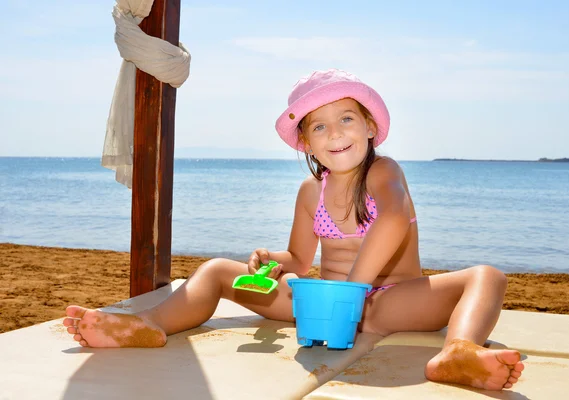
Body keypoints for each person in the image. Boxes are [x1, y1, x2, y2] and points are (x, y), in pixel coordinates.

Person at [63, 69, 524, 390]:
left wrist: (357, 291)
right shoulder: (310, 191)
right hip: (320, 306)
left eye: (346, 118)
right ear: (305, 141)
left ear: (369, 126)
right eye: (319, 126)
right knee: (218, 270)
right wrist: (272, 262)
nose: (335, 133)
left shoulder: (384, 171)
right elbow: (300, 260)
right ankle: (147, 324)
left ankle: (459, 350)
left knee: (488, 275)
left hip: (388, 302)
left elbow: (395, 217)